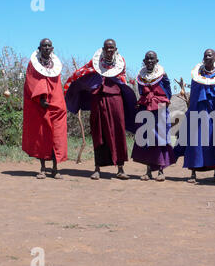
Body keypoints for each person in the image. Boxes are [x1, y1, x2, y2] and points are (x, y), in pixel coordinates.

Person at [64, 39, 137, 180]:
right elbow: (82, 73)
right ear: (103, 49)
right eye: (107, 48)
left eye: (112, 48)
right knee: (98, 132)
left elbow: (122, 80)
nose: (109, 50)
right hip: (98, 99)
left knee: (118, 132)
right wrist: (80, 85)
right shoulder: (94, 63)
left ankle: (120, 168)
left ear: (116, 49)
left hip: (116, 99)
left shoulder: (121, 63)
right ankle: (97, 168)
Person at [174, 49, 215, 183]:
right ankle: (193, 174)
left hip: (214, 113)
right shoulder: (196, 76)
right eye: (205, 56)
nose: (207, 57)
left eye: (210, 55)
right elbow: (194, 96)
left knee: (213, 142)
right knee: (195, 142)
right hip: (198, 113)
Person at [22, 38, 67, 179]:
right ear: (39, 48)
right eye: (44, 46)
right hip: (39, 105)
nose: (46, 48)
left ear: (52, 48)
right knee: (41, 135)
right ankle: (42, 168)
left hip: (55, 104)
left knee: (56, 136)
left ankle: (55, 168)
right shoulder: (33, 64)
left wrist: (55, 100)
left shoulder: (56, 65)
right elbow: (31, 81)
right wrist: (41, 98)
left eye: (49, 46)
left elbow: (57, 84)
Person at [131, 51, 176, 181]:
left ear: (157, 61)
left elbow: (168, 93)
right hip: (146, 108)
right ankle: (148, 171)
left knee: (160, 138)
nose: (150, 61)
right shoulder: (141, 76)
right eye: (147, 59)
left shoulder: (163, 76)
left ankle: (161, 171)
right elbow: (141, 92)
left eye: (152, 59)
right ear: (144, 61)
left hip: (159, 108)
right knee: (146, 139)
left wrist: (160, 102)